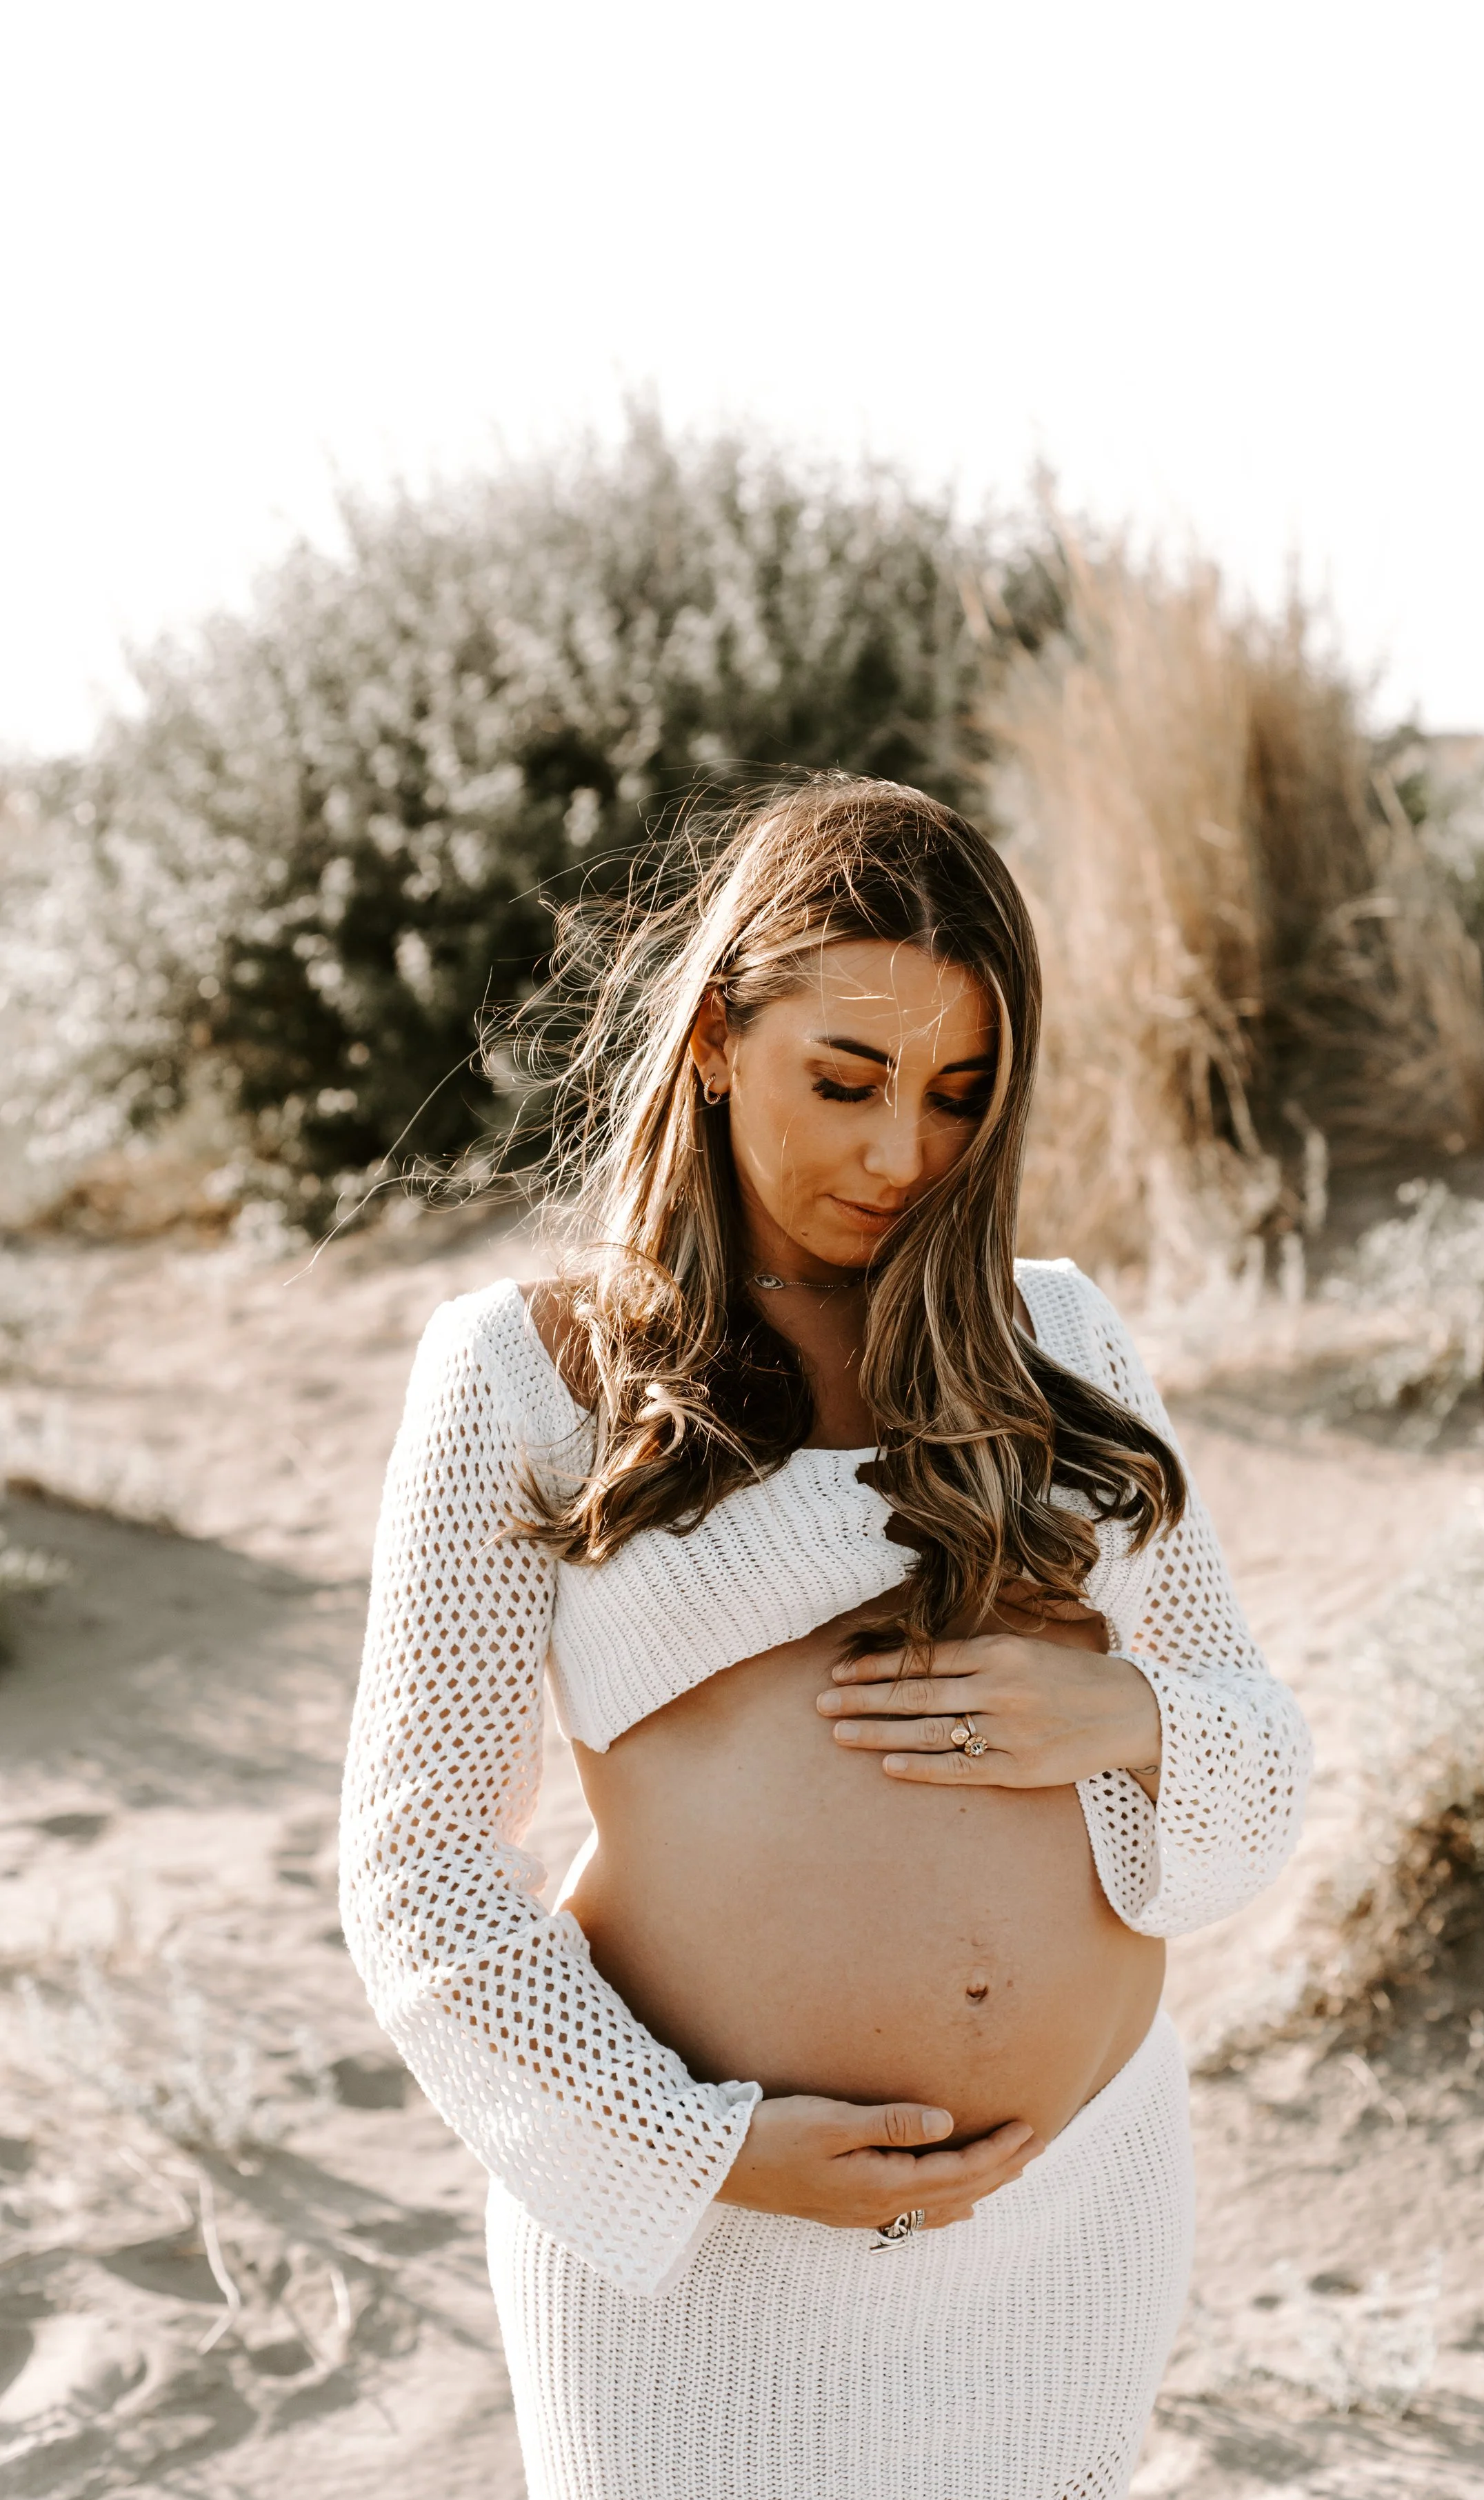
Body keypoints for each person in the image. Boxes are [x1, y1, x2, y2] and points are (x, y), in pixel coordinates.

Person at [339, 774, 1311, 2500]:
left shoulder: (1053, 1342)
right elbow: (414, 1866)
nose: (897, 1156)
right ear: (716, 1035)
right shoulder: (527, 1373)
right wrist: (701, 2152)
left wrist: (1123, 1715)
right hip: (705, 2257)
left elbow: (1246, 1753)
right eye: (843, 1081)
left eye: (955, 1097)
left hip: (1072, 2213)